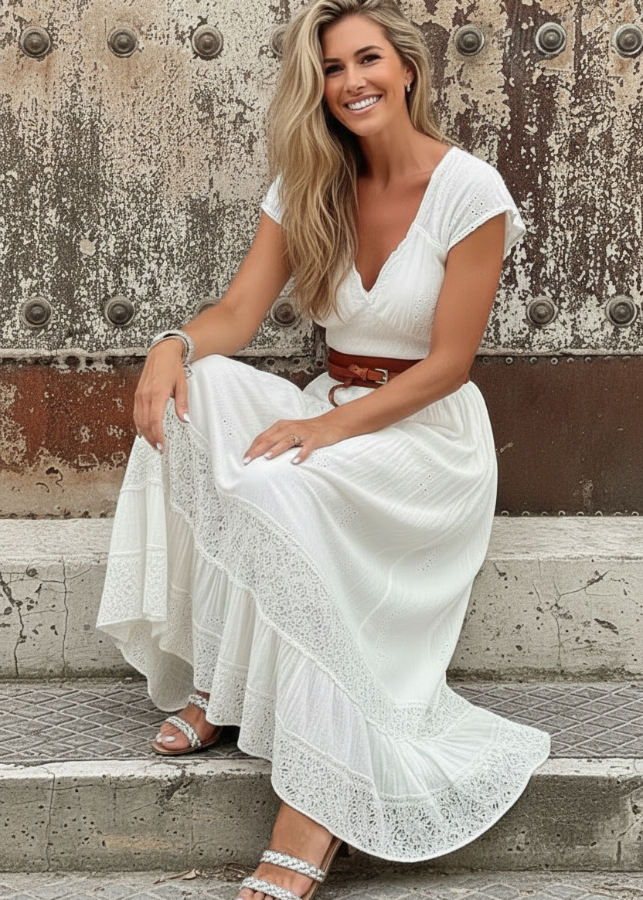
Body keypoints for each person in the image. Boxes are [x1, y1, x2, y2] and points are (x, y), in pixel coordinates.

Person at [97, 1, 550, 897]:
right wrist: (169, 346)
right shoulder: (309, 181)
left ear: (407, 69)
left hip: (423, 442)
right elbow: (236, 314)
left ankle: (311, 815)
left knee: (276, 485)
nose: (351, 82)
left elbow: (449, 366)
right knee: (196, 395)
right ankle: (226, 681)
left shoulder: (470, 190)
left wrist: (322, 429)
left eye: (367, 60)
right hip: (332, 409)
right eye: (332, 70)